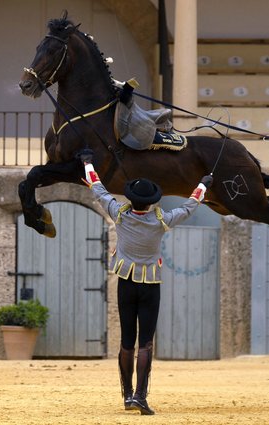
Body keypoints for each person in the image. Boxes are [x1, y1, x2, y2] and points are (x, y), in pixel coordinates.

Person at [80, 150, 211, 416]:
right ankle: (140, 395)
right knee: (146, 343)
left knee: (127, 341)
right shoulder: (160, 221)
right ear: (151, 202)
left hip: (126, 282)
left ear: (131, 198)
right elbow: (189, 206)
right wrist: (203, 185)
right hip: (150, 284)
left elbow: (97, 188)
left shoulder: (119, 214)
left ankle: (127, 395)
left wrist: (87, 162)